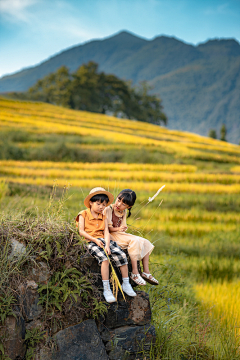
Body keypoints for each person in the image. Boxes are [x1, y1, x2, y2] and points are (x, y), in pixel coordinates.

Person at [76, 187, 137, 303]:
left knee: (121, 255)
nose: (101, 207)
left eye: (104, 205)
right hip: (90, 241)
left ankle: (126, 283)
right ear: (90, 202)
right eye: (98, 204)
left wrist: (108, 245)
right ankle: (107, 288)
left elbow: (106, 232)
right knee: (105, 259)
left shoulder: (103, 216)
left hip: (104, 240)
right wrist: (95, 240)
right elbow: (81, 231)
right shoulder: (83, 214)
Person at [104, 189, 158, 286]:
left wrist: (123, 228)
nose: (119, 204)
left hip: (118, 234)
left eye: (123, 204)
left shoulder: (123, 212)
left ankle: (146, 272)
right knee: (134, 240)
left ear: (129, 207)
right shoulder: (108, 209)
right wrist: (119, 229)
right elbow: (107, 228)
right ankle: (135, 273)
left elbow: (122, 228)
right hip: (110, 235)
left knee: (145, 242)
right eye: (118, 200)